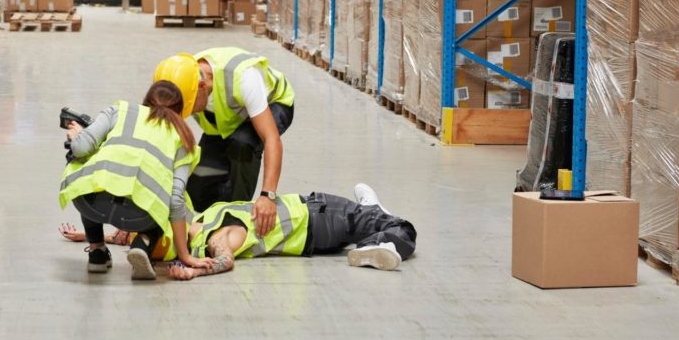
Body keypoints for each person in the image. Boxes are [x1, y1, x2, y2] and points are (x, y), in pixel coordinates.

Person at [59, 76, 213, 280]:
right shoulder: (184, 139)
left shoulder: (119, 109)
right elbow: (176, 201)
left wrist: (78, 135)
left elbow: (80, 149)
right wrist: (185, 256)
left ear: (146, 99)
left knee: (90, 176)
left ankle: (97, 252)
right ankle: (143, 244)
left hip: (91, 205)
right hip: (140, 217)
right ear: (179, 111)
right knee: (166, 203)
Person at [154, 48, 295, 237]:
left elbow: (271, 139)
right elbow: (161, 144)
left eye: (189, 107)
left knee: (242, 143)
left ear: (202, 86)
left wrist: (268, 195)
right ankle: (221, 210)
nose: (187, 113)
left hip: (273, 104)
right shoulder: (182, 78)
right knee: (197, 191)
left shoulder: (244, 78)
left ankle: (237, 216)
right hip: (228, 119)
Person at [168, 183, 417, 281]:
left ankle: (371, 209)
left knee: (371, 216)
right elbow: (224, 259)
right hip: (319, 216)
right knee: (403, 228)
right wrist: (196, 270)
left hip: (313, 227)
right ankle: (377, 246)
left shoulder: (202, 218)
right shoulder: (215, 237)